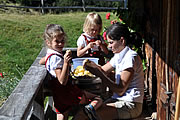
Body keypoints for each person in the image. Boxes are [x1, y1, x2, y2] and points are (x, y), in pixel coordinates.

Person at [74, 22, 144, 120]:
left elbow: (120, 90)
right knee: (83, 112)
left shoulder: (130, 57)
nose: (109, 46)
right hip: (120, 100)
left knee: (86, 115)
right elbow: (103, 70)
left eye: (111, 42)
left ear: (122, 41)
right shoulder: (119, 54)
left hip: (131, 104)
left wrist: (100, 74)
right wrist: (91, 65)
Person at [39, 24, 102, 120]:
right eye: (57, 41)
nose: (60, 44)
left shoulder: (50, 54)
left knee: (62, 113)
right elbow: (62, 81)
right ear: (48, 42)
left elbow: (41, 61)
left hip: (58, 94)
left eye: (62, 41)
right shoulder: (56, 58)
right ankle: (85, 113)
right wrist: (65, 63)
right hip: (67, 92)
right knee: (97, 99)